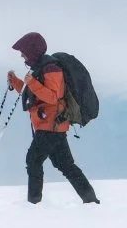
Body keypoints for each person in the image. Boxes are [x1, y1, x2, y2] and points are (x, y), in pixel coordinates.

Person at [6, 31, 100, 205]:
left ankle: (33, 204)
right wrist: (16, 82)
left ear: (32, 50)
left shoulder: (51, 68)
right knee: (65, 165)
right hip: (53, 126)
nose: (21, 55)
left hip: (50, 126)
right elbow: (33, 96)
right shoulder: (41, 68)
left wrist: (31, 82)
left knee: (33, 160)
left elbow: (52, 97)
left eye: (23, 51)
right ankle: (91, 201)